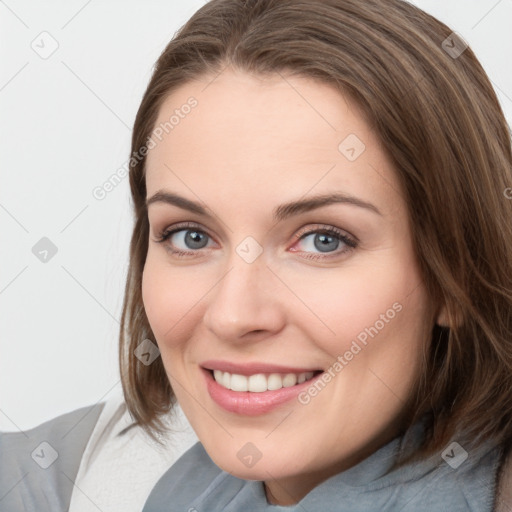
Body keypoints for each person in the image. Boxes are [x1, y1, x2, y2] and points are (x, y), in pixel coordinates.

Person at [1, 0, 511, 511]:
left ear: (457, 276)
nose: (233, 315)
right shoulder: (103, 476)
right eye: (191, 237)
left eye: (322, 240)